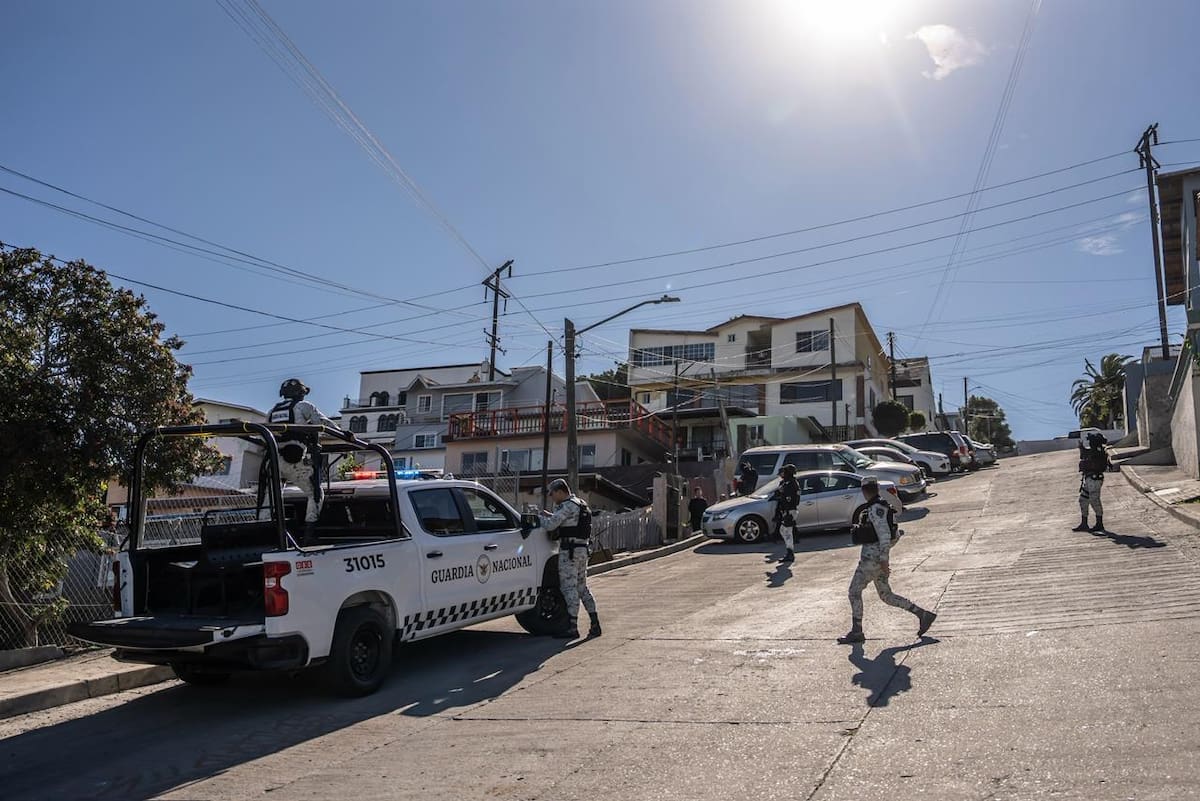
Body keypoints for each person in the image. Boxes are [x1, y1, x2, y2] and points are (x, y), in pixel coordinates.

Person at [838, 477, 936, 644]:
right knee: (886, 595)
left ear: (864, 491)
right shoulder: (882, 506)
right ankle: (922, 614)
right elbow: (894, 535)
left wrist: (883, 559)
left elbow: (884, 535)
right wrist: (884, 556)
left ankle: (857, 631)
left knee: (854, 592)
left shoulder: (876, 509)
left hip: (872, 560)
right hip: (876, 559)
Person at [267, 378, 339, 538]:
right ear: (301, 393)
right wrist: (345, 435)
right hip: (295, 461)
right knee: (315, 493)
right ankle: (309, 534)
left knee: (273, 496)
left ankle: (268, 528)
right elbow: (323, 423)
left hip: (275, 460)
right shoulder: (303, 406)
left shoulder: (272, 411)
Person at [541, 479, 600, 640]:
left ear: (560, 491)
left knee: (568, 588)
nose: (552, 497)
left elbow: (550, 526)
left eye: (552, 494)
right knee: (582, 588)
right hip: (582, 550)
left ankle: (572, 627)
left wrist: (538, 518)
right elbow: (569, 522)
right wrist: (552, 515)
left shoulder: (567, 505)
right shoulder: (580, 503)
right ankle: (595, 623)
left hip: (569, 552)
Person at [1073, 430, 1113, 532]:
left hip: (1094, 479)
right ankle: (1084, 523)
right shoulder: (1096, 451)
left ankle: (1099, 523)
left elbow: (1086, 454)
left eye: (1091, 441)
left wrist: (1081, 448)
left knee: (1094, 500)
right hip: (1089, 478)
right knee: (1083, 499)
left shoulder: (1098, 452)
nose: (1089, 443)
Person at [774, 464, 800, 563]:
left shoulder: (791, 484)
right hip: (787, 511)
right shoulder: (787, 483)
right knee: (783, 530)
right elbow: (778, 493)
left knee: (787, 531)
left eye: (784, 472)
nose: (782, 474)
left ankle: (790, 553)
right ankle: (789, 551)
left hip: (790, 511)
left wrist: (787, 512)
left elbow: (789, 498)